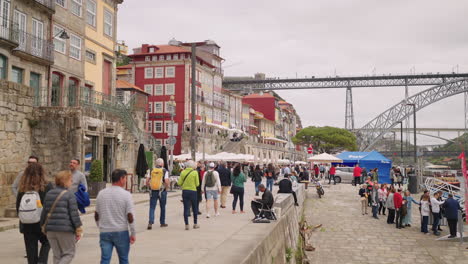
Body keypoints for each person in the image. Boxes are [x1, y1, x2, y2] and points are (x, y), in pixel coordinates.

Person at [41, 170, 83, 264]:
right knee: (69, 253)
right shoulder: (70, 194)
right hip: (65, 229)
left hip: (50, 230)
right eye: (70, 180)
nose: (71, 182)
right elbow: (73, 214)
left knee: (57, 255)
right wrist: (78, 228)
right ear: (65, 181)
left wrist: (43, 226)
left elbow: (44, 212)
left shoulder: (49, 194)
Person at [95, 169, 136, 264]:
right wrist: (133, 233)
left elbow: (97, 215)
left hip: (105, 231)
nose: (125, 180)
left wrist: (100, 226)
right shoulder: (126, 195)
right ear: (121, 179)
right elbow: (130, 216)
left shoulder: (101, 194)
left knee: (105, 259)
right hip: (121, 231)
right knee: (123, 259)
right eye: (125, 178)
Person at [16, 163, 52, 264]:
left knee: (30, 250)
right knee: (47, 242)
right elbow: (50, 204)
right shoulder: (47, 186)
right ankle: (42, 261)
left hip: (27, 223)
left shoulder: (23, 188)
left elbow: (18, 206)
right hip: (42, 222)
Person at [146, 158, 170, 230]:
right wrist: (166, 188)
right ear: (162, 164)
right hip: (162, 190)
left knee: (152, 207)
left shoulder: (151, 170)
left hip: (153, 190)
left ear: (156, 164)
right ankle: (162, 223)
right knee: (162, 207)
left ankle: (150, 222)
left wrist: (149, 187)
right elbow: (166, 181)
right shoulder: (164, 170)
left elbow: (147, 181)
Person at [178, 161, 200, 230]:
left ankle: (186, 224)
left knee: (186, 208)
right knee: (194, 208)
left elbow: (179, 183)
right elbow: (197, 184)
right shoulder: (195, 172)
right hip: (193, 191)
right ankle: (195, 223)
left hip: (185, 191)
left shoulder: (182, 172)